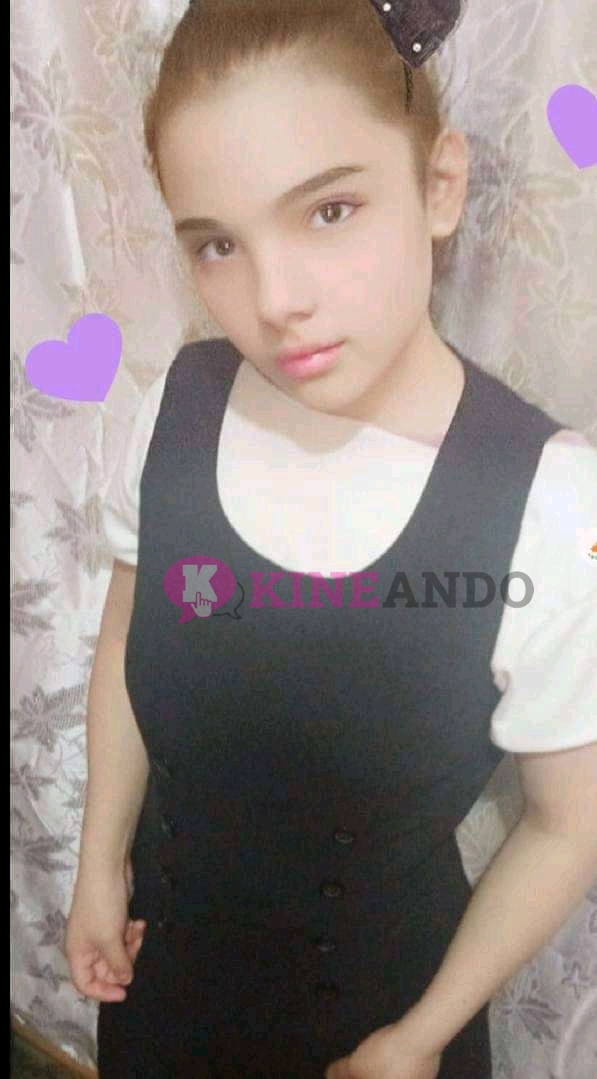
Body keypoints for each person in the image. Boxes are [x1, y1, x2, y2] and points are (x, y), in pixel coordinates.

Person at [64, 2, 597, 1077]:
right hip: (163, 985)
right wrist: (98, 864)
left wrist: (419, 1038)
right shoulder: (177, 408)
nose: (274, 301)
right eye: (217, 243)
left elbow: (568, 822)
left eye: (329, 210)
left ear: (439, 183)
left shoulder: (550, 504)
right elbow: (127, 636)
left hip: (375, 1030)